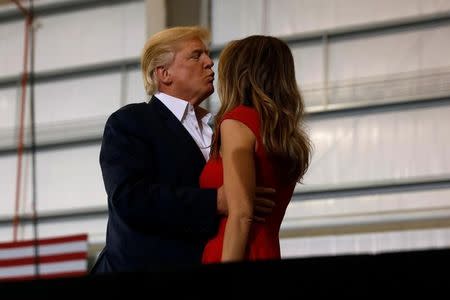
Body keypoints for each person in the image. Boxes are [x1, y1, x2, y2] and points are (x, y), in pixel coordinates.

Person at [90, 26, 275, 273]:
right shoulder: (130, 122)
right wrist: (215, 202)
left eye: (208, 55)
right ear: (164, 73)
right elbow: (130, 199)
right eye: (196, 56)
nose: (211, 63)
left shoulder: (223, 127)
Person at [200, 35, 312, 263]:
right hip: (268, 248)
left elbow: (241, 216)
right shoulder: (280, 133)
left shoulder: (237, 121)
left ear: (240, 74)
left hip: (233, 251)